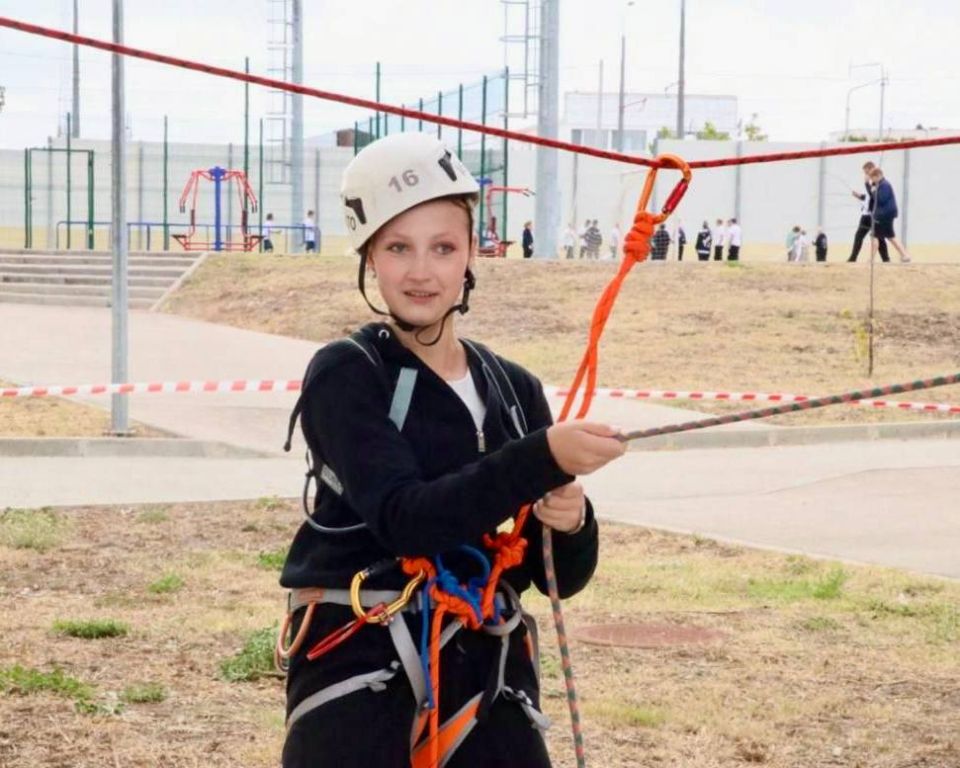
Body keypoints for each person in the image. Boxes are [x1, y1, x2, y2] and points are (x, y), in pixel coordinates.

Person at [279, 132, 625, 768]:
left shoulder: (513, 389)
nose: (421, 271)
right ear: (370, 256)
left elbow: (556, 578)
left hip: (485, 664)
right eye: (398, 247)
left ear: (470, 252)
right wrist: (542, 457)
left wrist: (570, 518)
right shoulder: (348, 374)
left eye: (443, 247)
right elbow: (406, 519)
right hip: (361, 656)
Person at [869, 166, 911, 263]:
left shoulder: (885, 185)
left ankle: (871, 259)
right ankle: (905, 255)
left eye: (872, 178)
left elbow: (881, 199)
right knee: (889, 236)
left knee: (875, 236)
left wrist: (874, 191)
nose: (872, 180)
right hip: (885, 214)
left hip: (884, 214)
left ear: (878, 175)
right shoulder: (882, 184)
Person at [847, 161, 876, 263]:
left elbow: (873, 196)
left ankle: (886, 258)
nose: (865, 175)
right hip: (866, 215)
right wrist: (858, 196)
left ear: (871, 169)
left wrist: (866, 183)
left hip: (872, 215)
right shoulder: (870, 182)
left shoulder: (875, 182)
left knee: (878, 238)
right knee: (859, 236)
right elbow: (868, 197)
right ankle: (853, 257)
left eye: (866, 172)